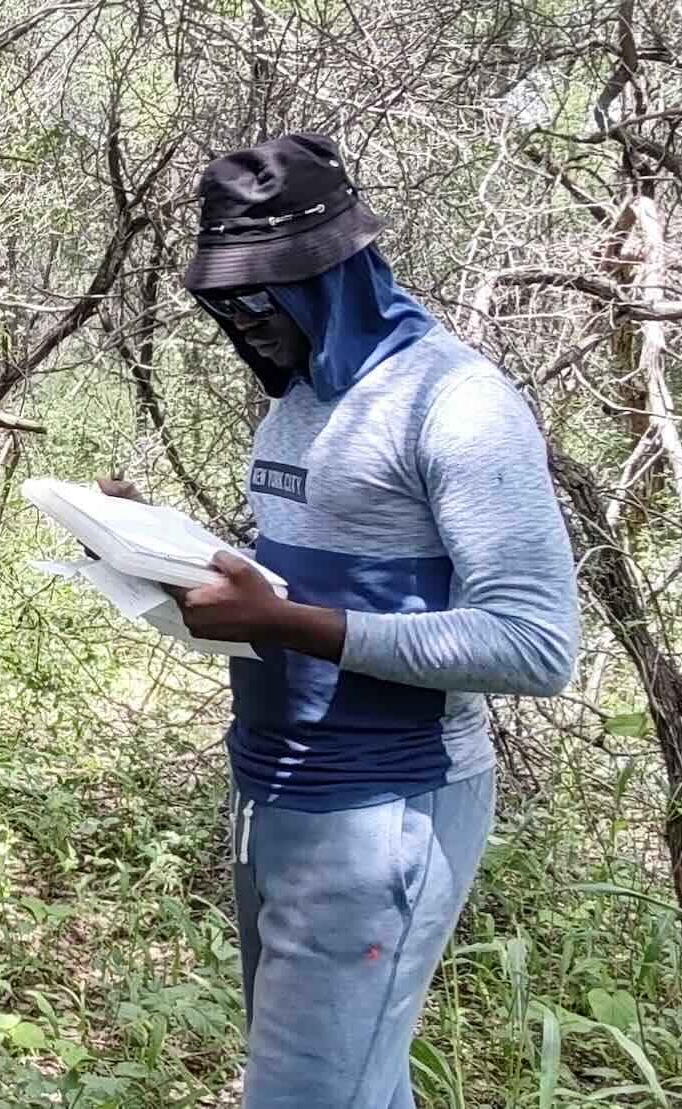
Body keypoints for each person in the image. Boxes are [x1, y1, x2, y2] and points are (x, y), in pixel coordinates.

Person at [129, 133, 582, 1107]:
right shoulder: (295, 402)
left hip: (387, 805)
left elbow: (538, 643)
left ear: (332, 269)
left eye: (261, 294)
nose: (243, 321)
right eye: (227, 301)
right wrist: (157, 549)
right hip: (274, 792)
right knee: (351, 1085)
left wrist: (295, 622)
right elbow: (307, 573)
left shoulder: (457, 403)